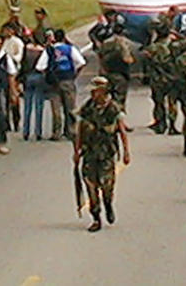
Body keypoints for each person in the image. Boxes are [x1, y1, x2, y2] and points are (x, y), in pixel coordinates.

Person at [72, 76, 130, 232]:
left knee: (107, 186)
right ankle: (96, 218)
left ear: (103, 91)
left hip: (107, 154)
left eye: (95, 91)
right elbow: (79, 130)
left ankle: (108, 204)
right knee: (91, 186)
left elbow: (122, 131)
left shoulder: (113, 108)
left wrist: (126, 152)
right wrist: (76, 151)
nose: (92, 94)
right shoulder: (87, 108)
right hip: (89, 153)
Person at [38, 29, 86, 140]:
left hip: (53, 82)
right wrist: (74, 74)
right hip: (68, 80)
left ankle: (56, 132)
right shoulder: (70, 49)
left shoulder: (49, 51)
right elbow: (81, 63)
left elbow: (40, 67)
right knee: (70, 107)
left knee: (56, 108)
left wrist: (48, 75)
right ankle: (70, 130)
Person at [97, 18, 135, 118]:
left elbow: (100, 55)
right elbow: (127, 59)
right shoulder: (123, 43)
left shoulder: (106, 42)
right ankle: (120, 122)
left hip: (107, 72)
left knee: (108, 98)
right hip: (120, 74)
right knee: (120, 99)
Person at [2, 25, 25, 132]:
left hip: (15, 71)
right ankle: (6, 122)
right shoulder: (4, 42)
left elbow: (19, 56)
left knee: (14, 98)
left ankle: (16, 121)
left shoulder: (17, 42)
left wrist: (9, 58)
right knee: (5, 99)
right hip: (4, 72)